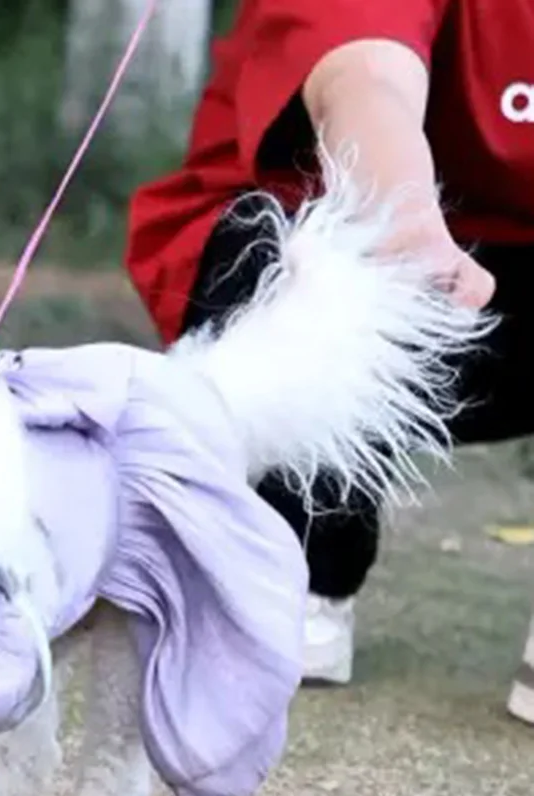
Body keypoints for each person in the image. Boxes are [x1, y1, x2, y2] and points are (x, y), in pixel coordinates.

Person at [125, 0, 534, 718]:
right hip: (343, 227)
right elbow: (365, 78)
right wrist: (406, 225)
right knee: (310, 252)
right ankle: (296, 567)